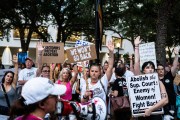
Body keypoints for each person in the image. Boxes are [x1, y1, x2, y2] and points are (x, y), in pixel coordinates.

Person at [134, 36, 168, 119]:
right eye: (148, 67)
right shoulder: (139, 80)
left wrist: (151, 109)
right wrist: (136, 47)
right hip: (142, 115)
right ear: (143, 70)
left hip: (156, 115)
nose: (150, 69)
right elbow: (137, 63)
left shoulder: (159, 82)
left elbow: (165, 100)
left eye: (152, 67)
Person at [156, 47, 179, 119]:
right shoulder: (154, 80)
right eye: (158, 69)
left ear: (164, 70)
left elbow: (174, 66)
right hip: (159, 105)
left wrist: (176, 55)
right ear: (156, 70)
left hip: (170, 104)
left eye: (162, 69)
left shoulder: (168, 76)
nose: (160, 71)